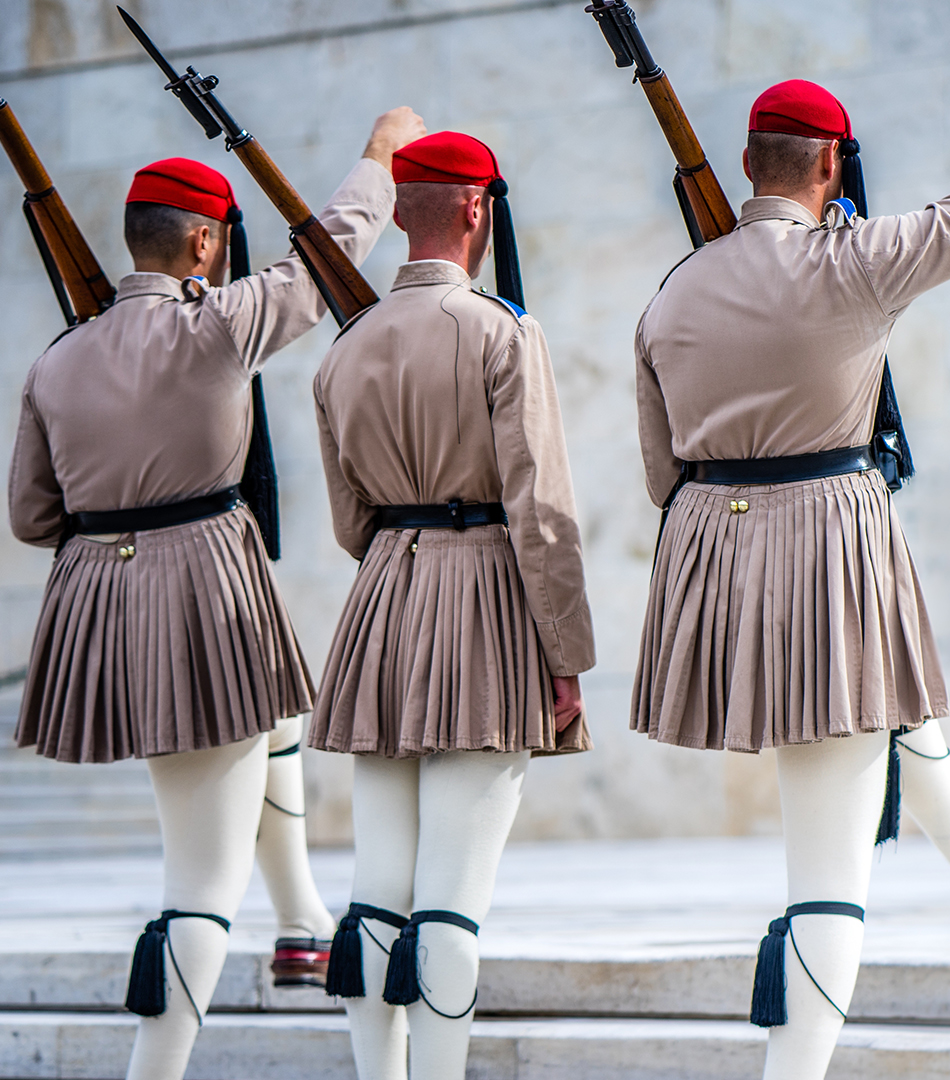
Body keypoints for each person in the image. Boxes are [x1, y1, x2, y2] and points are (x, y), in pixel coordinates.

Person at [629, 53, 950, 1079]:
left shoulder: (670, 295)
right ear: (832, 165)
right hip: (829, 545)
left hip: (712, 558)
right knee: (828, 879)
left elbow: (662, 470)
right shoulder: (855, 262)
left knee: (889, 701)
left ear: (748, 162)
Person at [6, 107, 427, 1080]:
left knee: (271, 719)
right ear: (204, 244)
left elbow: (34, 515)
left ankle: (300, 921)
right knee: (200, 882)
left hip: (100, 606)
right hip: (201, 591)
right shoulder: (219, 327)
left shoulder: (56, 362)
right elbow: (329, 254)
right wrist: (378, 157)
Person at [305, 130, 593, 1080]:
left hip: (384, 602)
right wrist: (564, 656)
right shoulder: (502, 331)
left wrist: (407, 555)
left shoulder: (344, 349)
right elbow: (540, 510)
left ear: (397, 214)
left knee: (376, 896)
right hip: (482, 597)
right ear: (478, 209)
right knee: (450, 906)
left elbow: (350, 522)